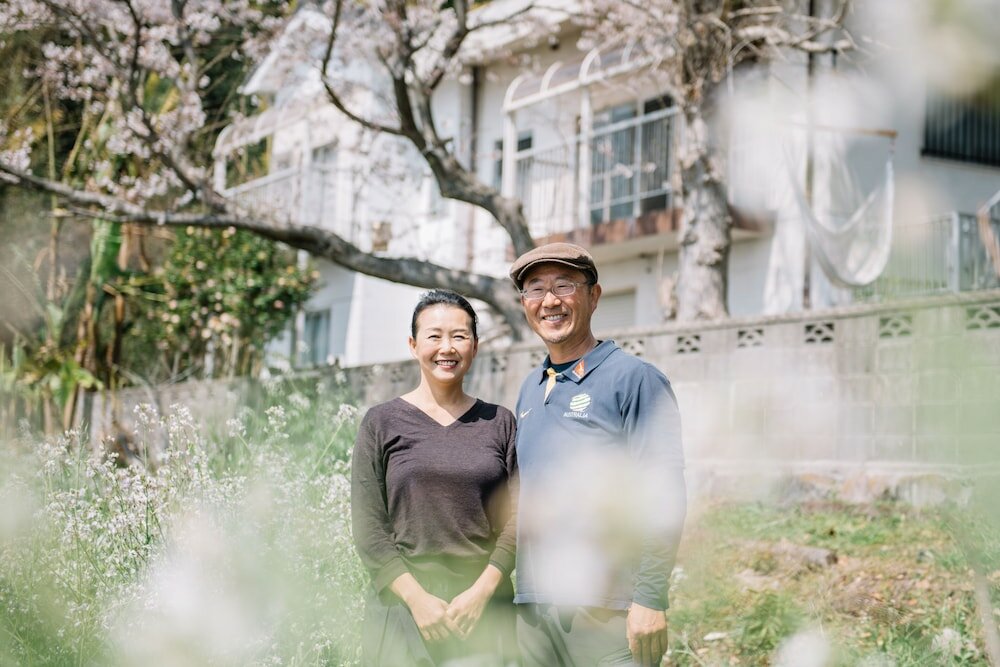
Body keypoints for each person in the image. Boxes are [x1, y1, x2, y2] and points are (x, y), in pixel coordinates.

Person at [508, 242, 686, 667]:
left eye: (564, 285)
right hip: (534, 610)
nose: (549, 301)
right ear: (524, 304)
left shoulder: (635, 378)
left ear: (594, 296)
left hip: (609, 610)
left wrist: (649, 598)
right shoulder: (531, 387)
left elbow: (664, 492)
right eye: (535, 289)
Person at [351, 289, 518, 666]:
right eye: (434, 336)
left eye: (459, 336)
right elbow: (368, 525)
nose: (447, 347)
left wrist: (482, 592)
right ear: (413, 345)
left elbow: (518, 520)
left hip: (485, 610)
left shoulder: (500, 422)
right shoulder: (381, 422)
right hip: (402, 609)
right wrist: (416, 599)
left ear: (474, 347)